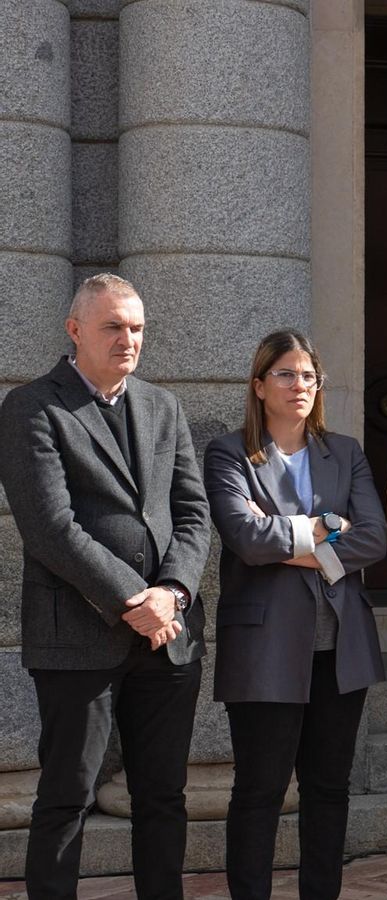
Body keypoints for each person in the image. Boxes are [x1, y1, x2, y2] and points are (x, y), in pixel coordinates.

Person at [0, 273, 211, 900]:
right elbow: (50, 529)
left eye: (138, 328)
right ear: (75, 330)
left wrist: (171, 592)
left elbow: (192, 512)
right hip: (78, 635)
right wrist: (133, 599)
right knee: (67, 794)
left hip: (168, 636)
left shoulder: (162, 405)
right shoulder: (32, 406)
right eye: (114, 326)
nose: (129, 339)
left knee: (163, 796)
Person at [204, 330, 387, 899]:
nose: (300, 385)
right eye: (285, 374)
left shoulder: (347, 452)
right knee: (259, 790)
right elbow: (245, 538)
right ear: (259, 386)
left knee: (328, 789)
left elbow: (375, 539)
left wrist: (297, 545)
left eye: (309, 375)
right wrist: (325, 530)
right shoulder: (229, 452)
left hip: (341, 646)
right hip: (264, 649)